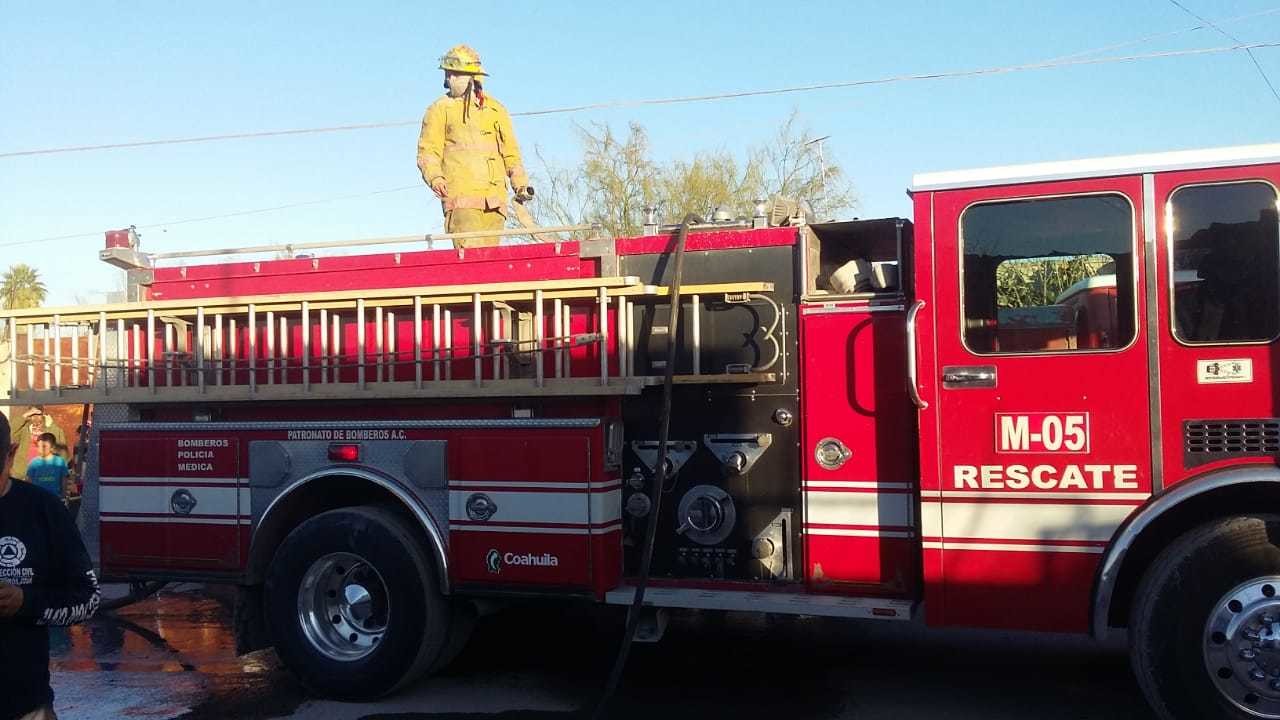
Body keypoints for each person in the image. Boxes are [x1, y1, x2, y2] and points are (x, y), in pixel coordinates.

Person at [0, 410, 101, 720]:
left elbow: (88, 598)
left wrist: (26, 602)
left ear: (12, 452)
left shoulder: (42, 511)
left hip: (26, 707)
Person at [416, 44, 533, 249]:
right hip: (461, 202)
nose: (447, 80)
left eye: (453, 74)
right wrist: (435, 177)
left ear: (471, 76)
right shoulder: (439, 109)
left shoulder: (496, 110)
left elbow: (511, 154)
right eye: (447, 74)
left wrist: (520, 184)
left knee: (490, 266)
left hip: (495, 203)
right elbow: (427, 152)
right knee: (472, 261)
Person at [10, 408, 67, 483]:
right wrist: (24, 416)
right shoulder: (24, 430)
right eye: (33, 414)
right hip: (22, 474)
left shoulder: (51, 429)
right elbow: (10, 431)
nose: (36, 417)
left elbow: (61, 447)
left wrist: (51, 425)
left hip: (44, 474)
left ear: (43, 416)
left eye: (38, 415)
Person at [24, 434, 69, 500]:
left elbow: (64, 480)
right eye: (38, 446)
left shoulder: (60, 462)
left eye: (44, 446)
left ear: (52, 447)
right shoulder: (34, 462)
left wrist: (63, 496)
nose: (40, 449)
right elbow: (29, 481)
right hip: (37, 498)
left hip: (54, 498)